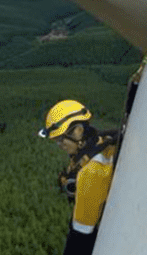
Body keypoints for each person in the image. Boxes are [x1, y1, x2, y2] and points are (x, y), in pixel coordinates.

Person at [39, 99, 121, 255]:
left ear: (77, 130)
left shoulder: (90, 173)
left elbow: (80, 237)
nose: (61, 146)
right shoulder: (105, 143)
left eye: (61, 139)